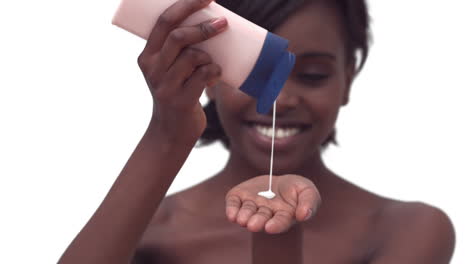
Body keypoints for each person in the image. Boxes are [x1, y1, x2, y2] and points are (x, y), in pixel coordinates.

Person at [58, 0, 456, 263]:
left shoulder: (406, 230)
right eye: (252, 76)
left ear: (348, 79)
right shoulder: (151, 231)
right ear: (209, 74)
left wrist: (276, 234)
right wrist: (167, 134)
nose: (280, 101)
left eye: (314, 75)